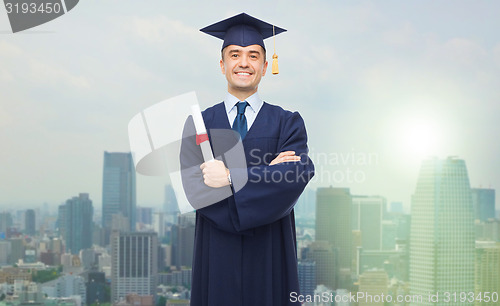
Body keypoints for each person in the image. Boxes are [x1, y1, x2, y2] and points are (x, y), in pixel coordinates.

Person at [181, 13, 315, 306]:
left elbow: (295, 176)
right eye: (235, 55)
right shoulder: (199, 125)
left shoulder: (287, 123)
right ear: (222, 65)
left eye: (253, 55)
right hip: (217, 254)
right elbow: (195, 191)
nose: (244, 63)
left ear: (265, 67)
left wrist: (229, 178)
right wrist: (266, 176)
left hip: (270, 253)